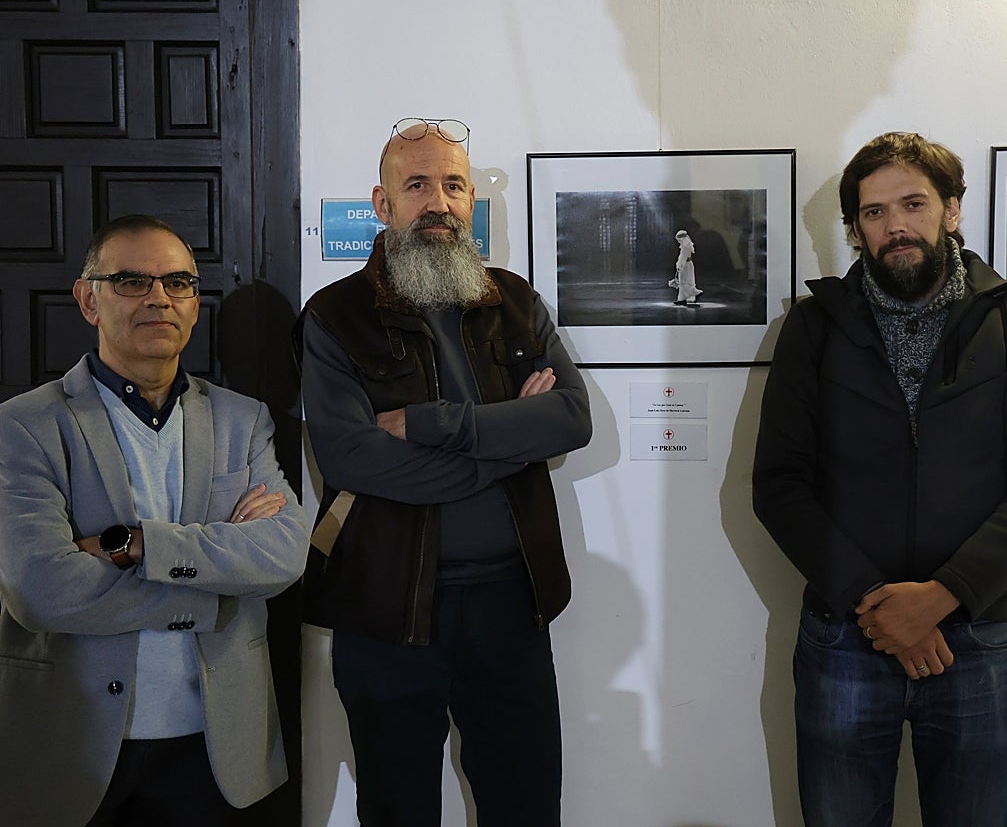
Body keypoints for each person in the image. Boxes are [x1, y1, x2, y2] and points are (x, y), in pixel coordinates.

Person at [752, 132, 1007, 826]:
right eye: (873, 212)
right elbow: (779, 484)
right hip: (846, 634)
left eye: (913, 203)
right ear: (856, 229)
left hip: (977, 636)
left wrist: (940, 598)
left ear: (951, 211)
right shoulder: (812, 329)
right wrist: (878, 603)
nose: (894, 225)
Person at [298, 116, 592, 827]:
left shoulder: (516, 303)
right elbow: (354, 459)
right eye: (418, 184)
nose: (438, 201)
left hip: (511, 608)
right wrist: (510, 446)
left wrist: (443, 429)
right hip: (386, 613)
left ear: (470, 201)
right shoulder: (335, 317)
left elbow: (572, 419)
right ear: (383, 203)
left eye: (453, 184)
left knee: (524, 808)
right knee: (398, 812)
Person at [0, 214, 309, 826]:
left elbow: (282, 554)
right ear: (89, 300)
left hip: (216, 746)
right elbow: (39, 590)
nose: (159, 299)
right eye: (133, 281)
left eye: (178, 283)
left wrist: (132, 545)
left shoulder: (244, 421)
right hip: (74, 744)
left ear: (195, 305)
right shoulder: (25, 426)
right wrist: (209, 589)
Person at [669, 228, 702, 305]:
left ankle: (696, 293)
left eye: (679, 239)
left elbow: (683, 257)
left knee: (684, 282)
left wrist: (679, 266)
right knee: (687, 281)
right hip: (688, 264)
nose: (678, 241)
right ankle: (682, 299)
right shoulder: (687, 245)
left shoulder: (685, 246)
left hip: (685, 266)